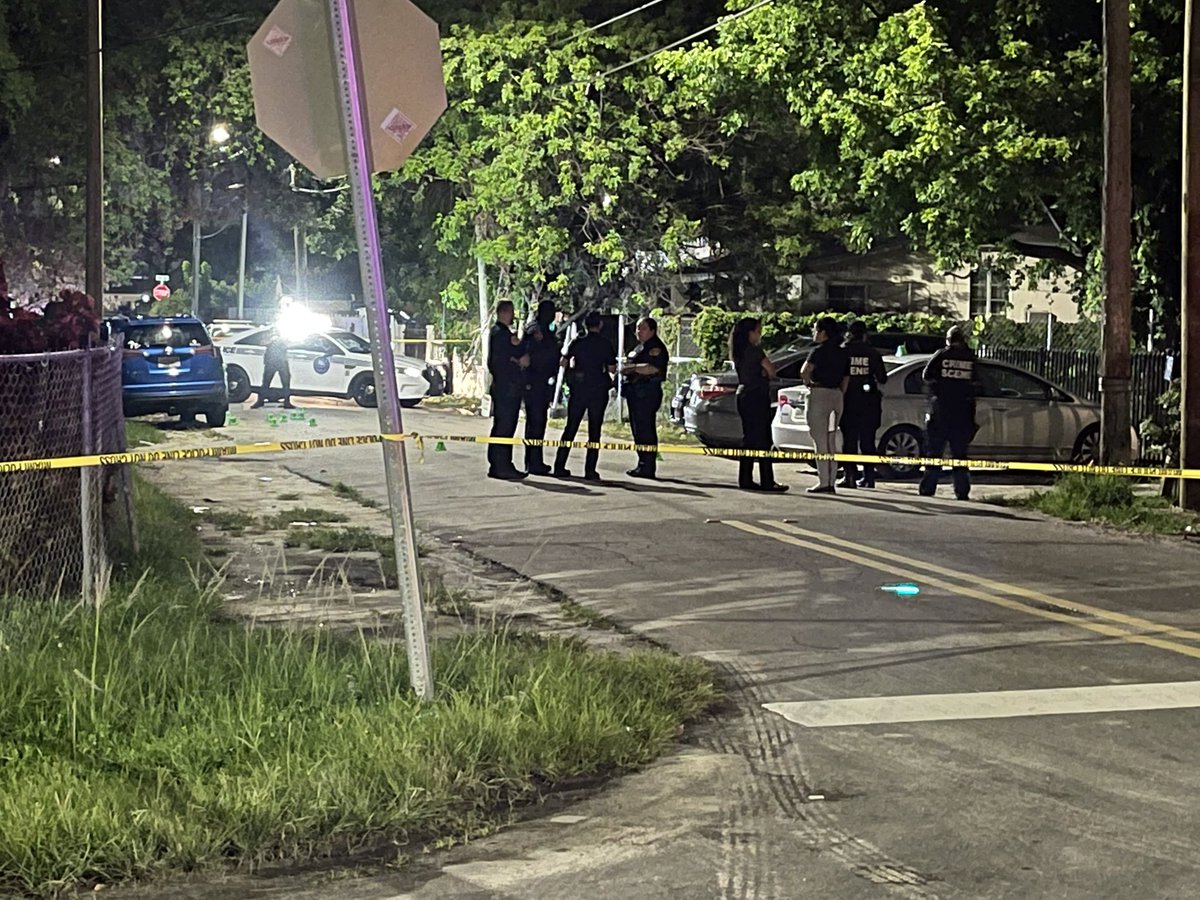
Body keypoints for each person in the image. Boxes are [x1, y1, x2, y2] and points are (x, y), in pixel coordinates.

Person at [554, 311, 616, 481]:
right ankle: (590, 470)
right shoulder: (605, 344)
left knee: (571, 427)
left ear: (585, 325)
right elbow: (612, 368)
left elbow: (563, 362)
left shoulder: (578, 342)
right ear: (600, 325)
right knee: (594, 431)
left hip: (579, 388)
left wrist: (572, 373)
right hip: (598, 389)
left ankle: (559, 466)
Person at [919, 325, 979, 500]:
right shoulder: (970, 358)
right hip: (962, 412)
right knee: (959, 454)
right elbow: (977, 382)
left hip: (942, 410)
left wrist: (939, 386)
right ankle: (962, 491)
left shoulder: (942, 355)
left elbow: (926, 375)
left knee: (935, 452)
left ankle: (928, 488)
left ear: (949, 339)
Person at [730, 317, 788, 492]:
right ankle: (767, 480)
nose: (759, 335)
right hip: (757, 396)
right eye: (758, 331)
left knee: (749, 438)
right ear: (751, 333)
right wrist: (764, 372)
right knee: (764, 439)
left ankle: (745, 477)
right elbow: (771, 370)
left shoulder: (738, 351)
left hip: (743, 394)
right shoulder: (755, 351)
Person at [800, 316, 848, 494]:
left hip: (819, 394)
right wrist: (839, 393)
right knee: (830, 439)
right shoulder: (842, 352)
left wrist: (809, 384)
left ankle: (824, 481)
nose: (814, 333)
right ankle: (831, 481)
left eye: (816, 330)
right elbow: (846, 379)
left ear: (823, 333)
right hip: (836, 396)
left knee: (819, 440)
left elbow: (804, 371)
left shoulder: (817, 352)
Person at [839, 320, 888, 488]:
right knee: (868, 442)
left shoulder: (843, 351)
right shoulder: (872, 353)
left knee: (849, 442)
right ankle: (869, 477)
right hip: (869, 403)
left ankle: (849, 476)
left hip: (848, 402)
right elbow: (882, 378)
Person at [486, 300, 530, 480]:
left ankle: (499, 464)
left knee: (502, 426)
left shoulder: (498, 333)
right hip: (507, 388)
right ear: (504, 313)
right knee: (505, 427)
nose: (513, 316)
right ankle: (501, 465)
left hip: (503, 387)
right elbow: (514, 353)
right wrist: (519, 358)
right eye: (511, 312)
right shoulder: (502, 335)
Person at [621, 316, 669, 479]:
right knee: (637, 430)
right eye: (637, 328)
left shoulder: (655, 348)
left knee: (646, 429)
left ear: (652, 330)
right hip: (635, 393)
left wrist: (632, 368)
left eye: (642, 328)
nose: (638, 331)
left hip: (647, 393)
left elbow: (652, 368)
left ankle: (648, 466)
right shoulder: (640, 347)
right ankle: (642, 463)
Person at [522, 299, 561, 475]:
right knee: (535, 424)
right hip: (535, 382)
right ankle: (533, 462)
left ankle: (534, 461)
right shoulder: (535, 330)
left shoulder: (545, 330)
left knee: (538, 424)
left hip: (542, 383)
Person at [251, 329, 294, 409]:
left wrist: (282, 339)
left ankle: (287, 402)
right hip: (271, 362)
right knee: (266, 383)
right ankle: (260, 401)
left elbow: (289, 344)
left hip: (282, 362)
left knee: (286, 383)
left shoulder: (283, 338)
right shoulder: (269, 338)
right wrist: (271, 339)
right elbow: (262, 343)